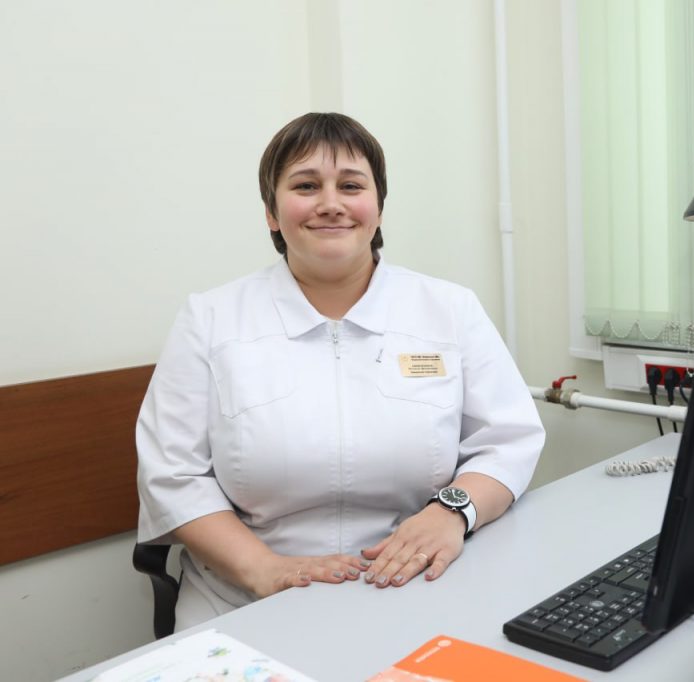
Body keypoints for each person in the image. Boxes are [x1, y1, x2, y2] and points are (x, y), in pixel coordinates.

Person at [135, 112, 545, 630]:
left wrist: (451, 512)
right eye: (306, 186)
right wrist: (264, 570)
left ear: (378, 207)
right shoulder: (210, 319)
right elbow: (172, 474)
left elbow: (508, 439)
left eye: (351, 186)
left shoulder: (449, 310)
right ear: (271, 212)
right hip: (245, 600)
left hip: (418, 583)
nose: (331, 203)